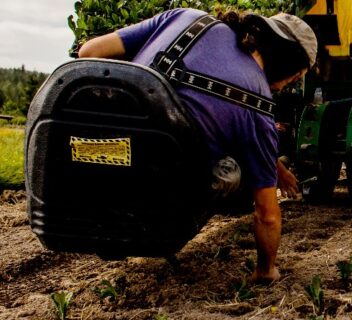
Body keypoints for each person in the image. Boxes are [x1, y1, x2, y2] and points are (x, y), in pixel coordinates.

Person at [78, 8, 317, 283]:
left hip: (100, 168)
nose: (287, 87)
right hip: (154, 201)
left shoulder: (184, 17)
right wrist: (266, 269)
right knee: (232, 170)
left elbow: (89, 52)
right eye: (294, 78)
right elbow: (267, 216)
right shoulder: (258, 105)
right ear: (287, 62)